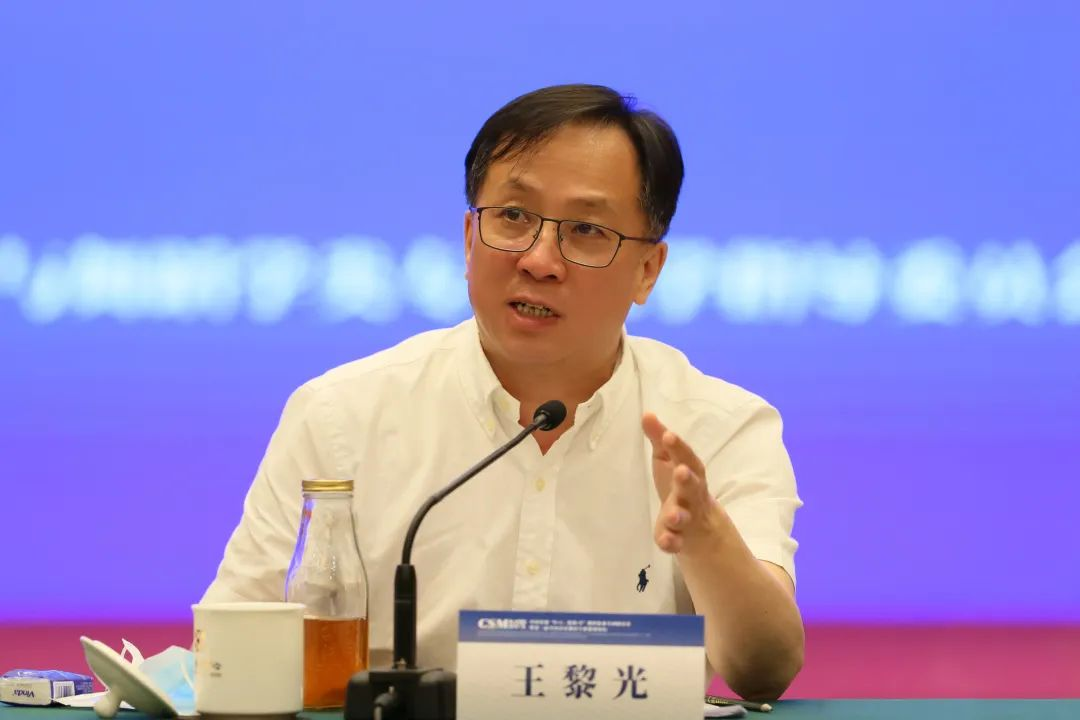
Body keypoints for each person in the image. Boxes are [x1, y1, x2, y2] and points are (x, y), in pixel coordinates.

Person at [201, 84, 804, 700]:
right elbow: (229, 651)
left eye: (586, 229)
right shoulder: (341, 417)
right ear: (469, 238)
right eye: (513, 217)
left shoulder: (717, 428)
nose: (540, 260)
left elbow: (766, 668)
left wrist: (707, 538)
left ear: (647, 270)